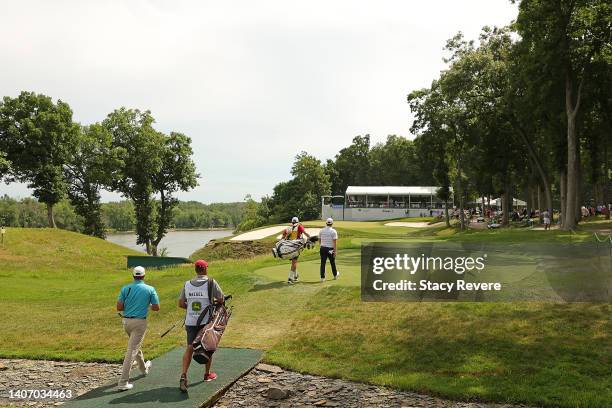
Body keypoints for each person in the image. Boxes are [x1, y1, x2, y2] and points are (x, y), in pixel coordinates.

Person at [178, 259, 224, 392]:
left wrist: (191, 307)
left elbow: (181, 304)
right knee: (208, 346)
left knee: (190, 347)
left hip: (190, 322)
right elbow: (221, 299)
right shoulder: (211, 282)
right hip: (206, 322)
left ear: (196, 270)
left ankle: (183, 375)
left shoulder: (187, 284)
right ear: (205, 269)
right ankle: (207, 374)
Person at [116, 266, 160, 391]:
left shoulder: (126, 288)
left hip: (126, 323)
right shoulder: (150, 289)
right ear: (144, 276)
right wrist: (148, 305)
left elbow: (119, 307)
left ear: (133, 276)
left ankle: (143, 369)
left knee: (135, 346)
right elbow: (156, 307)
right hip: (139, 323)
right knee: (131, 351)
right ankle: (123, 382)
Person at [282, 216, 310, 284]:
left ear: (292, 222)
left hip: (288, 248)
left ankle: (295, 276)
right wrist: (309, 237)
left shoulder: (289, 228)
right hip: (295, 248)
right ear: (298, 222)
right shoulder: (299, 226)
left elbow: (283, 236)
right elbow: (305, 233)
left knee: (293, 262)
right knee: (294, 262)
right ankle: (290, 278)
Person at [319, 217, 339, 282]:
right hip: (330, 249)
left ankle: (322, 278)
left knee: (323, 263)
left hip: (323, 248)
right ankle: (335, 275)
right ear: (332, 223)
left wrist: (321, 246)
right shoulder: (333, 231)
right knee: (332, 262)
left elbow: (319, 240)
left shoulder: (321, 230)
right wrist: (335, 251)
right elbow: (334, 243)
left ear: (326, 223)